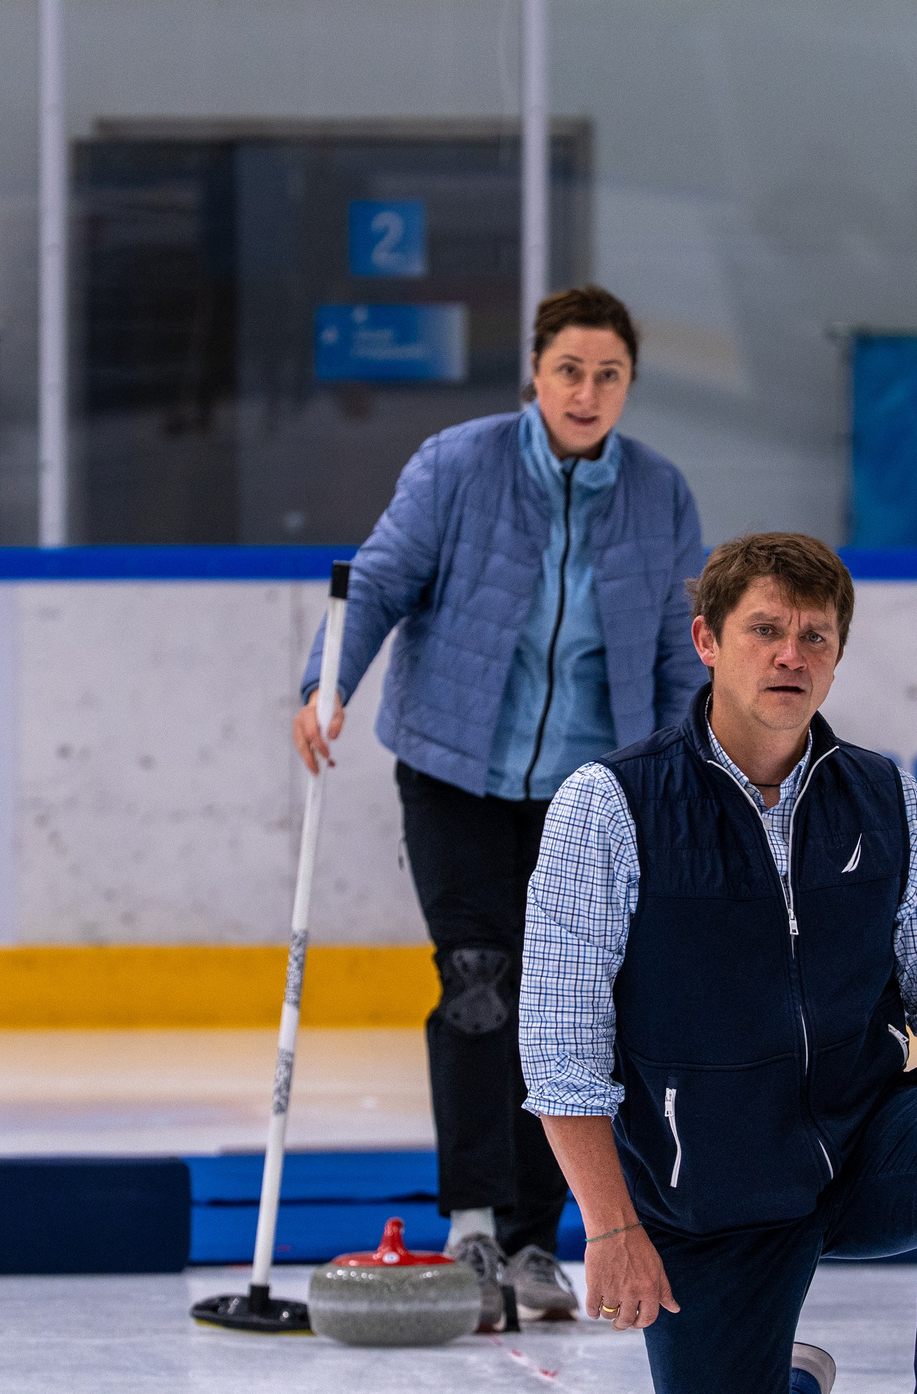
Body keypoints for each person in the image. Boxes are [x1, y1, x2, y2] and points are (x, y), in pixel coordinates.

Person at [518, 531, 917, 1394]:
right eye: (764, 630)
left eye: (814, 636)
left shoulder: (884, 799)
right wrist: (611, 1226)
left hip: (860, 1148)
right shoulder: (611, 805)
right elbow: (558, 1043)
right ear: (706, 643)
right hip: (705, 1195)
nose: (790, 655)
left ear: (837, 655)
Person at [296, 286, 709, 1328]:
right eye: (568, 369)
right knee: (476, 985)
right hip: (452, 773)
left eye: (607, 374)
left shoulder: (659, 496)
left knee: (562, 1008)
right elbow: (381, 580)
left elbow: (675, 650)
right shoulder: (458, 465)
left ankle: (535, 1238)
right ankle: (472, 1220)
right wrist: (327, 681)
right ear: (535, 373)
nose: (586, 391)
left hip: (590, 789)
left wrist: (681, 774)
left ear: (627, 385)